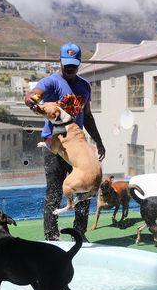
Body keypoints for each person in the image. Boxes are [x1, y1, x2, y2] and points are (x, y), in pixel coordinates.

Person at [25, 43, 105, 241]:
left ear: (79, 64)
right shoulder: (51, 82)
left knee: (84, 194)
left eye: (74, 65)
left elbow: (87, 116)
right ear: (60, 61)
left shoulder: (84, 86)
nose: (70, 68)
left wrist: (99, 142)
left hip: (77, 147)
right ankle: (51, 236)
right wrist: (31, 99)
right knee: (54, 192)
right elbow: (35, 94)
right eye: (66, 64)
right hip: (55, 145)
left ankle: (79, 235)